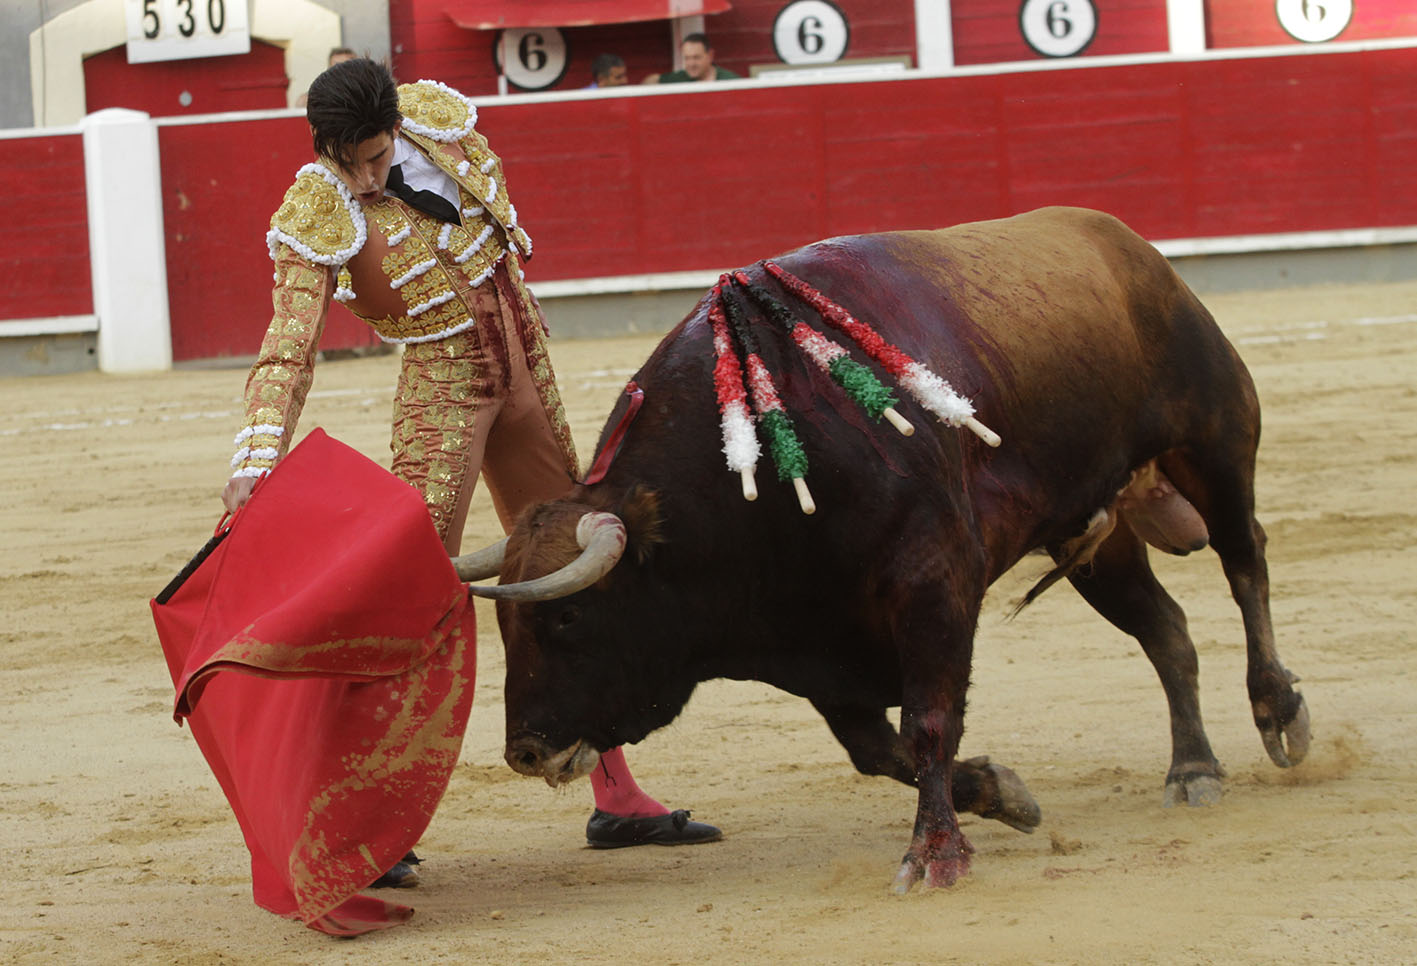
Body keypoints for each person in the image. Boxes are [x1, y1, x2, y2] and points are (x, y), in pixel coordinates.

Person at [224, 58, 720, 889]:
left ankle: (616, 795)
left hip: (525, 372)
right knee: (405, 596)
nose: (367, 175)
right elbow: (288, 343)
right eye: (350, 161)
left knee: (575, 572)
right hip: (442, 395)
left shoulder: (441, 127)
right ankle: (362, 825)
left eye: (378, 156)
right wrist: (255, 454)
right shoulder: (318, 205)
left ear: (395, 128)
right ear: (325, 148)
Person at [657, 33, 739, 83]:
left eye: (696, 57)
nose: (691, 64)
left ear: (710, 55)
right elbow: (653, 80)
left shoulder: (729, 80)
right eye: (687, 58)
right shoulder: (681, 77)